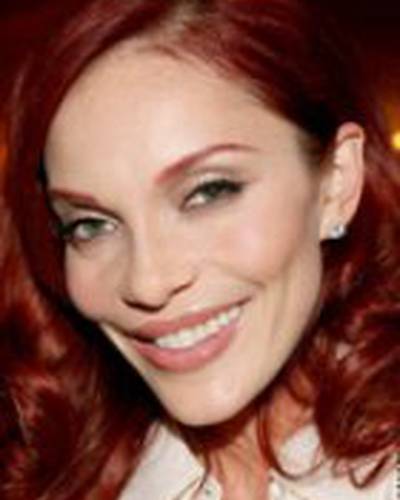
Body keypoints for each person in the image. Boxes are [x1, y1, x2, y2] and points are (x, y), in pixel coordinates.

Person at [1, 0, 398, 498]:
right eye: (91, 225)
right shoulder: (52, 469)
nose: (148, 283)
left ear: (337, 182)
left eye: (208, 192)